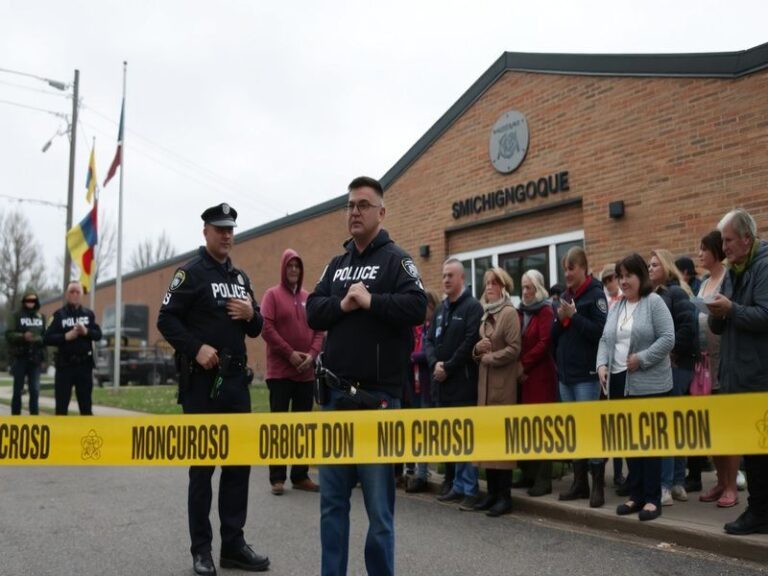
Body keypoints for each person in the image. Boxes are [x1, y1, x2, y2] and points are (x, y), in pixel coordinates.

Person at [306, 176, 426, 576]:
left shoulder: (397, 260)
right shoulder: (336, 265)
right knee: (332, 505)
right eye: (350, 206)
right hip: (335, 400)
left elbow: (417, 307)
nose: (354, 212)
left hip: (378, 402)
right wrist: (344, 303)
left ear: (381, 212)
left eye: (362, 204)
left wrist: (371, 300)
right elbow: (313, 311)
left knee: (379, 512)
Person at [157, 203, 269, 575]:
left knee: (238, 466)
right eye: (219, 228)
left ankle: (233, 545)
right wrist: (195, 347)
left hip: (236, 384)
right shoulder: (190, 274)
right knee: (203, 468)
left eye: (231, 229)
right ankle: (201, 550)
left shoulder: (240, 278)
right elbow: (166, 319)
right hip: (202, 386)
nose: (226, 234)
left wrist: (254, 315)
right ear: (205, 231)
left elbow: (256, 329)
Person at [597, 253, 675, 522]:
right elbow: (606, 339)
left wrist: (641, 359)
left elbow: (668, 338)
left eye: (628, 275)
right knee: (629, 440)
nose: (623, 281)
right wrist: (601, 366)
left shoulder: (653, 302)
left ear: (640, 276)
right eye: (620, 276)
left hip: (648, 383)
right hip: (618, 381)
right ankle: (637, 494)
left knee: (649, 443)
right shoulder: (617, 306)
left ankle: (653, 499)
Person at [707, 208, 768, 535]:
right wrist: (717, 314)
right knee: (754, 451)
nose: (724, 246)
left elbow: (765, 315)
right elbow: (722, 323)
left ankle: (759, 513)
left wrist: (731, 309)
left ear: (747, 238)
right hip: (736, 376)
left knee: (760, 453)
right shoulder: (733, 269)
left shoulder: (764, 266)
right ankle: (760, 510)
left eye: (728, 240)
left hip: (759, 377)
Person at [260, 248, 324, 496]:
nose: (294, 270)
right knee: (280, 426)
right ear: (283, 268)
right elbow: (266, 328)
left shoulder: (309, 297)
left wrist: (312, 355)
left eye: (297, 266)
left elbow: (319, 329)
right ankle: (277, 477)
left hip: (305, 373)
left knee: (302, 426)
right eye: (290, 266)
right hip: (280, 373)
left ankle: (300, 475)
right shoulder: (272, 296)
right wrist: (290, 354)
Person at [552, 246, 608, 507]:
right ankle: (579, 483)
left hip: (586, 376)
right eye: (565, 269)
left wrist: (573, 317)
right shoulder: (564, 296)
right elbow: (554, 337)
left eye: (571, 268)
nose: (568, 273)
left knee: (590, 429)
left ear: (584, 268)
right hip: (566, 376)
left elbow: (600, 332)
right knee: (574, 431)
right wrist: (560, 319)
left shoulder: (595, 295)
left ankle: (597, 485)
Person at [426, 258, 483, 507]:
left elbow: (470, 342)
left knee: (466, 439)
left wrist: (448, 367)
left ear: (462, 278)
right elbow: (428, 340)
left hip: (463, 384)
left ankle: (470, 490)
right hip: (442, 386)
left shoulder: (472, 308)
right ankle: (458, 486)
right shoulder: (440, 309)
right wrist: (434, 364)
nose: (446, 280)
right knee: (452, 439)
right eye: (444, 276)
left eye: (451, 275)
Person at [692, 231, 740, 507]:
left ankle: (731, 486)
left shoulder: (727, 278)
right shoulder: (703, 282)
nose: (699, 254)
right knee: (712, 429)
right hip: (704, 363)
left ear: (714, 250)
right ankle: (720, 482)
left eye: (703, 248)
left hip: (724, 360)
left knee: (727, 428)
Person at [471, 267, 521, 517]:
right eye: (487, 283)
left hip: (502, 387)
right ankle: (490, 493)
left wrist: (491, 357)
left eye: (494, 283)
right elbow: (480, 350)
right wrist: (478, 350)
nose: (489, 287)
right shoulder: (485, 313)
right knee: (488, 441)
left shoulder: (509, 313)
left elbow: (514, 349)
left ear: (503, 287)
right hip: (485, 387)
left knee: (501, 442)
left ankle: (504, 495)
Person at [648, 248, 697, 506]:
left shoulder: (675, 292)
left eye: (655, 264)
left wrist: (672, 352)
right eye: (649, 265)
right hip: (663, 368)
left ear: (666, 267)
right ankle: (676, 481)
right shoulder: (653, 295)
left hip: (676, 368)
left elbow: (689, 327)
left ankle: (668, 484)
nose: (650, 269)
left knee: (668, 425)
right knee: (672, 425)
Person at [517, 270, 557, 497]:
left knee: (541, 428)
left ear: (538, 288)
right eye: (522, 287)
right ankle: (528, 473)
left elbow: (544, 342)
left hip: (540, 377)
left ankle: (543, 479)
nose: (524, 292)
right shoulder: (521, 312)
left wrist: (524, 364)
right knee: (526, 427)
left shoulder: (545, 310)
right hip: (524, 379)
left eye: (528, 287)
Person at [43, 281, 102, 415]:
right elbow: (46, 338)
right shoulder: (58, 315)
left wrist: (86, 332)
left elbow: (98, 335)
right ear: (67, 295)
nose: (75, 294)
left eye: (77, 292)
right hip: (65, 366)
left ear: (81, 295)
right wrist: (65, 337)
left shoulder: (88, 314)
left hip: (84, 366)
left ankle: (87, 436)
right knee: (61, 408)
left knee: (86, 407)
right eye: (72, 292)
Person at [406, 289, 442, 494]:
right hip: (414, 388)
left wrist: (412, 357)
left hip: (428, 388)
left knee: (424, 432)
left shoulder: (431, 328)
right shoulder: (416, 329)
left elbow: (426, 354)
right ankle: (416, 472)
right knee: (415, 431)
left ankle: (422, 473)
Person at [6, 290, 46, 415]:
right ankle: (16, 420)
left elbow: (46, 337)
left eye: (33, 300)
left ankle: (34, 419)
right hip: (20, 357)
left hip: (35, 358)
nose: (31, 302)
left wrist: (37, 339)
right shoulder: (16, 315)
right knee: (18, 390)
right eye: (28, 300)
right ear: (24, 301)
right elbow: (9, 334)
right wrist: (23, 336)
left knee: (35, 390)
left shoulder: (41, 317)